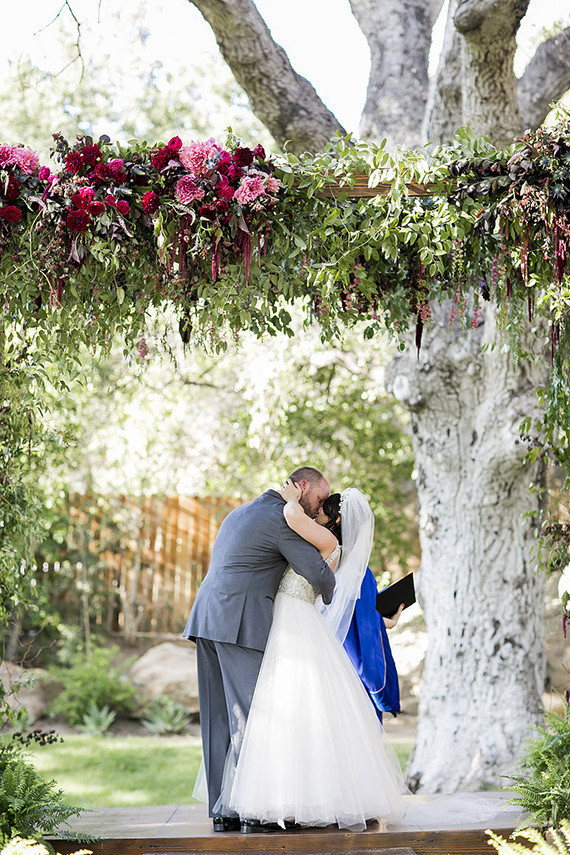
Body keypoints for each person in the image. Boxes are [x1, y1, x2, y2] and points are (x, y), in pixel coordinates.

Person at [215, 482, 405, 832]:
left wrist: (290, 498)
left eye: (322, 508)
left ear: (335, 520)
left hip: (293, 619)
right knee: (297, 708)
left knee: (289, 705)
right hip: (294, 619)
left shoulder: (325, 540)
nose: (315, 510)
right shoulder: (329, 544)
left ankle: (288, 799)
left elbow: (291, 515)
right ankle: (298, 795)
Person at [182, 466, 335, 833]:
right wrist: (334, 569)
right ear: (302, 486)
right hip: (239, 624)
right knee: (252, 717)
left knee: (218, 718)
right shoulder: (282, 519)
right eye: (320, 498)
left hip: (207, 619)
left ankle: (224, 811)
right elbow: (317, 573)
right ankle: (255, 810)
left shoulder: (241, 511)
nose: (321, 506)